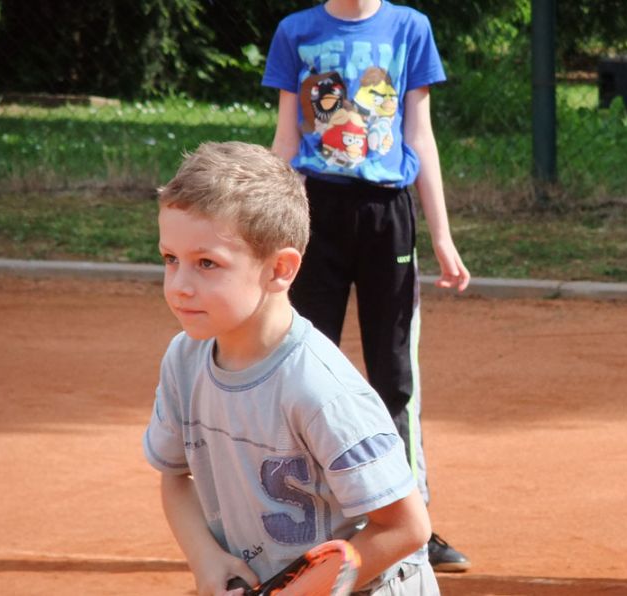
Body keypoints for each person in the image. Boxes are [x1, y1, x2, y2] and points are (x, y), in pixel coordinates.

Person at [141, 141, 438, 596]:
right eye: (170, 259)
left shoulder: (320, 390)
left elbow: (406, 528)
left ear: (280, 269)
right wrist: (206, 560)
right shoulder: (184, 360)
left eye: (206, 263)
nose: (180, 285)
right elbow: (175, 477)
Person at [261, 0, 472, 573]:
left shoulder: (410, 28)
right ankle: (300, 525)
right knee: (302, 369)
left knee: (395, 376)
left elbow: (420, 136)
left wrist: (442, 236)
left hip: (388, 216)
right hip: (315, 213)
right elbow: (286, 141)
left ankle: (413, 525)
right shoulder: (295, 31)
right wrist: (265, 233)